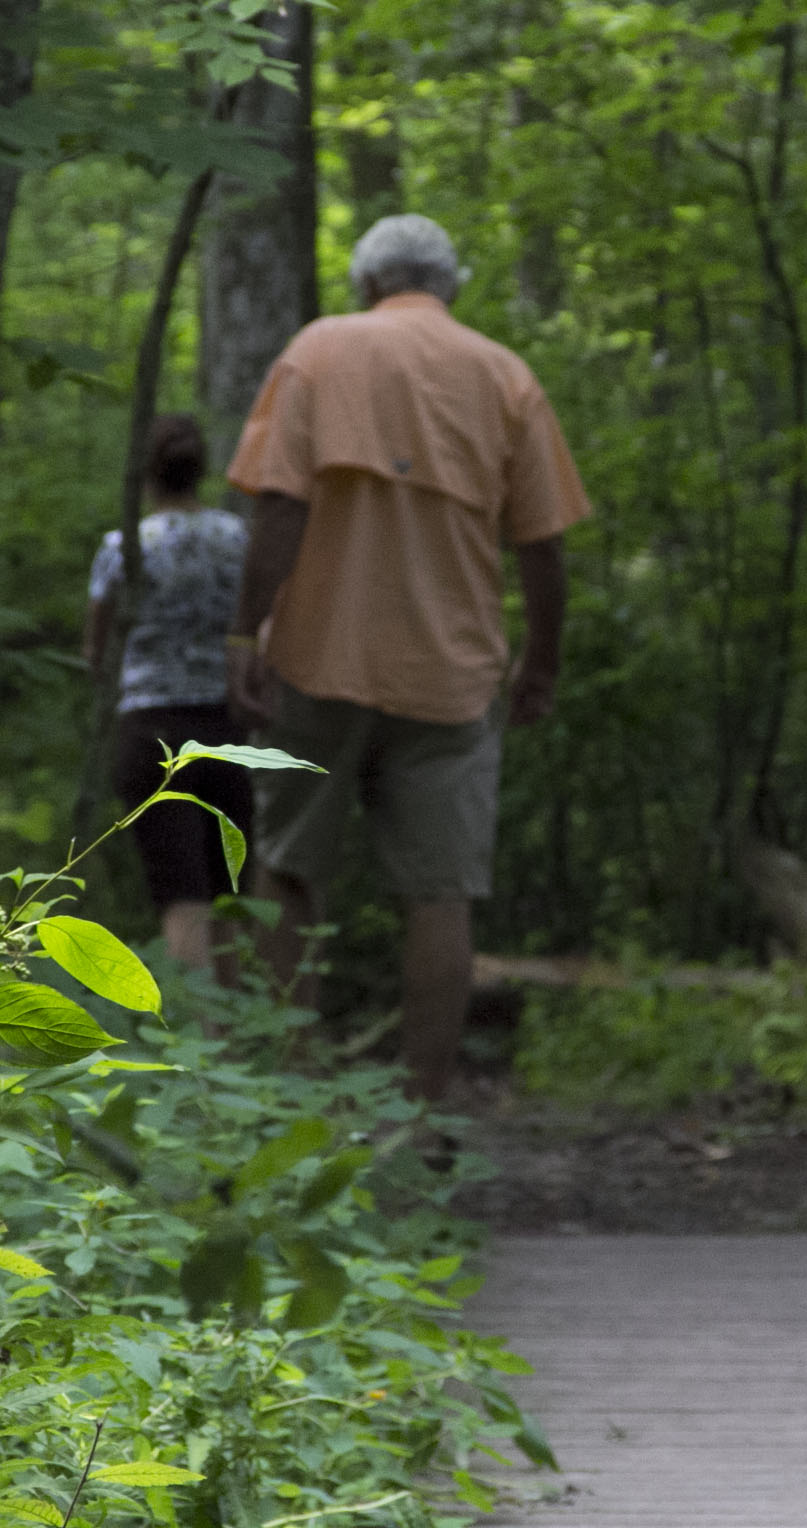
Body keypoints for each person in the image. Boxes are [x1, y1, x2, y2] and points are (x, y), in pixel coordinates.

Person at [224, 213, 590, 1102]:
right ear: (450, 283)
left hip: (319, 656)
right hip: (451, 677)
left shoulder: (318, 353)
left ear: (365, 282)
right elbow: (542, 546)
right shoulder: (504, 375)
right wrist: (540, 664)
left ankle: (287, 1093)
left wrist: (244, 632)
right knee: (440, 894)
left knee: (288, 862)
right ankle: (424, 1112)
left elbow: (278, 509)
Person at [86, 413, 254, 977]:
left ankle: (199, 1037)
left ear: (147, 473)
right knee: (228, 883)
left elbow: (97, 650)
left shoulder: (125, 545)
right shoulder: (235, 537)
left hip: (150, 730)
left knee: (181, 893)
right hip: (228, 725)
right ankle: (236, 1036)